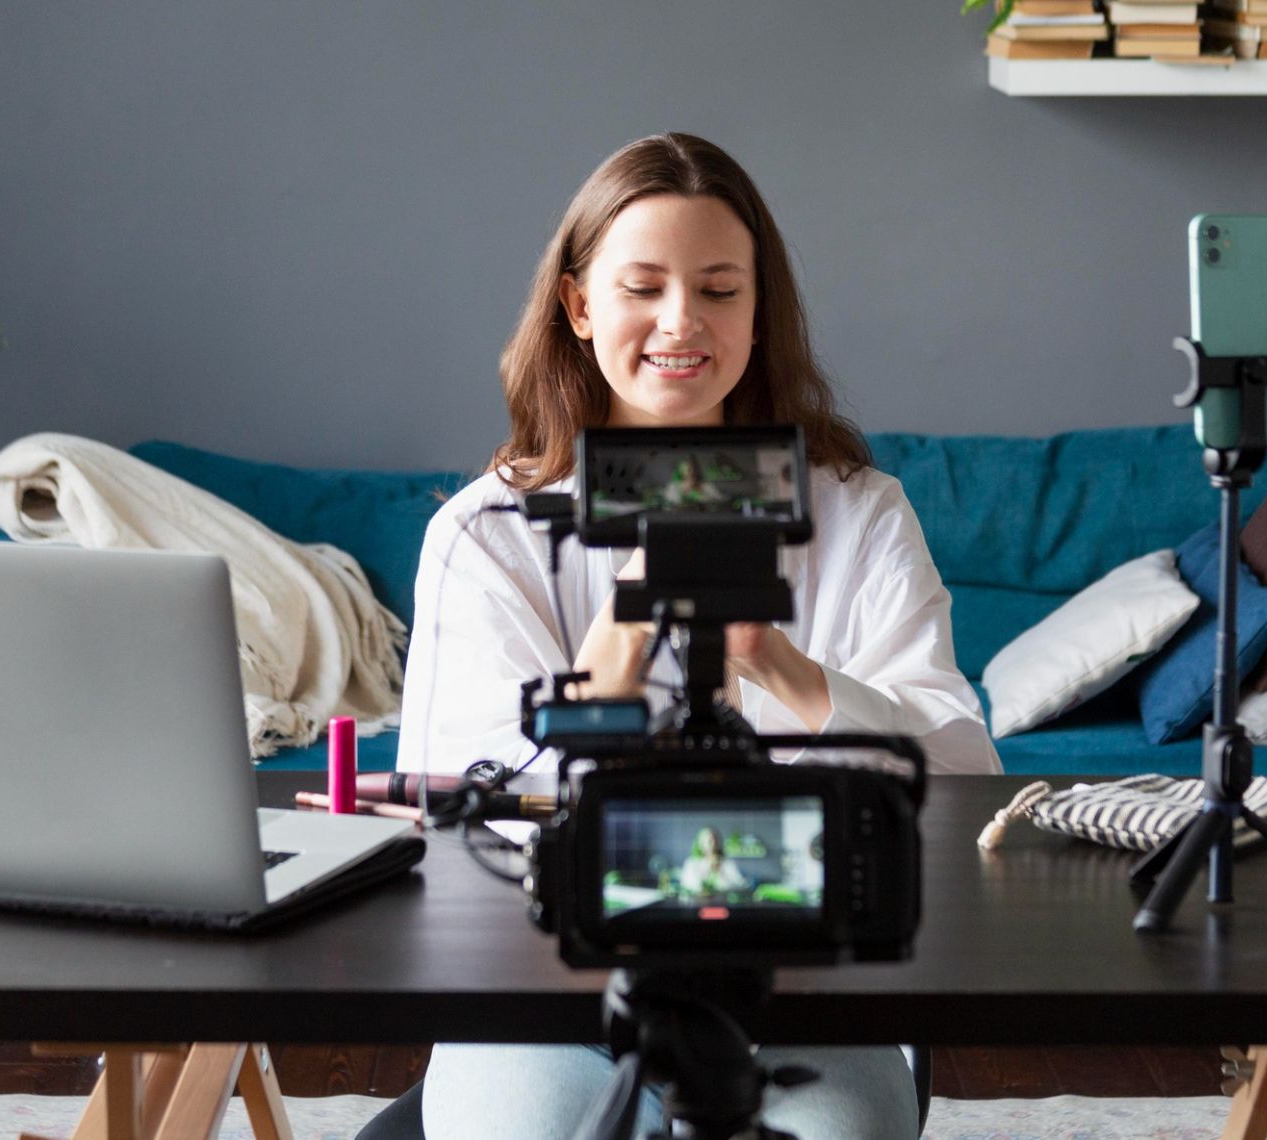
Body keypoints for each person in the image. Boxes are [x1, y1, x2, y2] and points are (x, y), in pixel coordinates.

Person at [398, 132, 1001, 1139]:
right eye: (642, 287)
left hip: (810, 994)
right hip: (540, 998)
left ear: (758, 312)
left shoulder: (856, 514)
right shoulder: (486, 534)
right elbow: (463, 815)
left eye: (719, 289)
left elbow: (964, 784)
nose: (682, 322)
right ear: (580, 306)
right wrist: (633, 614)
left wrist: (778, 663)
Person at [676, 827, 748, 899]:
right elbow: (686, 886)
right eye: (708, 840)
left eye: (715, 840)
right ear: (699, 843)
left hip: (722, 904)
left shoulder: (727, 863)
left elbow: (740, 886)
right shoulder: (691, 863)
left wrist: (719, 872)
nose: (712, 844)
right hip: (697, 904)